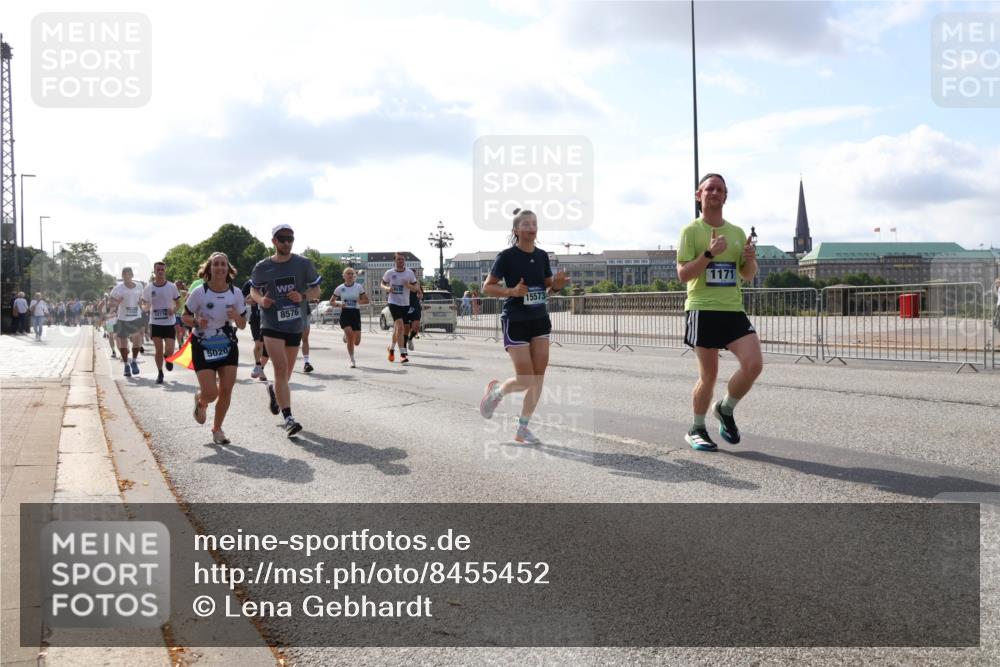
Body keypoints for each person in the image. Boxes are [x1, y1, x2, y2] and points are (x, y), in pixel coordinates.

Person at [676, 173, 762, 452]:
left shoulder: (736, 232)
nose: (714, 193)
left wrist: (750, 260)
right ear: (698, 195)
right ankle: (696, 428)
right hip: (702, 309)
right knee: (709, 376)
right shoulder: (691, 231)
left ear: (725, 197)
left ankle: (725, 408)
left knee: (753, 364)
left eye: (720, 190)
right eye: (709, 188)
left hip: (733, 309)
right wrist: (709, 254)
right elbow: (683, 274)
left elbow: (747, 275)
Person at [479, 208, 570, 444]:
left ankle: (523, 428)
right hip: (516, 320)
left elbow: (549, 288)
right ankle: (497, 392)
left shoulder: (542, 256)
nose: (532, 228)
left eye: (534, 224)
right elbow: (487, 287)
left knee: (538, 377)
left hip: (539, 320)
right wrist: (511, 291)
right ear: (516, 230)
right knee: (526, 379)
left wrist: (558, 285)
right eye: (526, 224)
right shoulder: (507, 256)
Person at [250, 224, 321, 436]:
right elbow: (253, 289)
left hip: (294, 324)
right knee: (280, 369)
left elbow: (316, 289)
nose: (287, 242)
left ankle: (274, 390)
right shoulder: (263, 266)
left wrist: (303, 296)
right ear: (274, 241)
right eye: (282, 239)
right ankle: (289, 418)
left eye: (290, 238)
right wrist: (261, 300)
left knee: (286, 374)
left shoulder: (303, 263)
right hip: (271, 323)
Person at [183, 252, 247, 445]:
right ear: (209, 268)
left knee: (226, 389)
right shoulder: (199, 292)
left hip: (227, 342)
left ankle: (217, 429)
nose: (220, 267)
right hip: (203, 343)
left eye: (223, 264)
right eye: (216, 264)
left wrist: (236, 316)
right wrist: (196, 321)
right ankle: (201, 400)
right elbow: (184, 317)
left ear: (228, 269)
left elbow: (242, 324)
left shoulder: (236, 293)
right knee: (212, 393)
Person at [142, 261, 181, 384]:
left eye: (162, 269)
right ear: (154, 271)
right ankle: (160, 373)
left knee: (169, 350)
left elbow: (178, 303)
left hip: (169, 323)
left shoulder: (171, 286)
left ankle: (168, 357)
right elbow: (145, 304)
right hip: (155, 323)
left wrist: (173, 310)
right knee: (158, 350)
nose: (160, 272)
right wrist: (144, 308)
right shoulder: (148, 288)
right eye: (158, 269)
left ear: (165, 271)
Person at [381, 252, 419, 363]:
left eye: (402, 259)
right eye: (398, 259)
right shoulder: (389, 273)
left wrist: (408, 286)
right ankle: (403, 354)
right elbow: (382, 284)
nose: (400, 261)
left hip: (405, 304)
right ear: (395, 261)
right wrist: (387, 288)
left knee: (397, 329)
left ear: (404, 261)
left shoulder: (409, 273)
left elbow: (416, 288)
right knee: (400, 327)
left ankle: (392, 348)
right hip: (393, 303)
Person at [110, 268, 146, 377]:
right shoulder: (117, 289)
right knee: (123, 343)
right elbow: (111, 303)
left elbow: (142, 299)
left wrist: (142, 304)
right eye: (125, 274)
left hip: (136, 317)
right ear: (122, 276)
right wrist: (117, 302)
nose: (127, 276)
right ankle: (126, 365)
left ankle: (134, 361)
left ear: (132, 275)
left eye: (129, 274)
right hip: (123, 319)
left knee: (137, 339)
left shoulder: (139, 286)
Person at [332, 267, 369, 368]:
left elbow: (366, 300)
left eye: (352, 274)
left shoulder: (358, 287)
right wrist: (340, 305)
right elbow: (332, 301)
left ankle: (346, 336)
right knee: (350, 336)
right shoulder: (340, 288)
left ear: (354, 276)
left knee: (356, 342)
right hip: (345, 313)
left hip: (355, 314)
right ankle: (352, 360)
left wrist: (359, 301)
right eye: (348, 274)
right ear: (344, 276)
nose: (350, 275)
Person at [241, 278, 269, 381]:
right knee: (258, 344)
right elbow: (239, 299)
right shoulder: (250, 283)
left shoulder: (271, 280)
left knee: (267, 346)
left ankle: (261, 368)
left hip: (269, 318)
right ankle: (258, 365)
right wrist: (247, 301)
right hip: (256, 318)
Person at [404, 283, 424, 351]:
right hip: (404, 307)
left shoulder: (416, 284)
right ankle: (404, 347)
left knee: (416, 327)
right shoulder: (402, 282)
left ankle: (410, 339)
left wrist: (420, 294)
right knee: (405, 328)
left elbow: (421, 295)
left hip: (415, 307)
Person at [300, 300, 315, 373]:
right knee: (289, 339)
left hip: (304, 312)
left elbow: (313, 294)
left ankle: (306, 363)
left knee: (305, 338)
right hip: (288, 312)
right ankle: (286, 361)